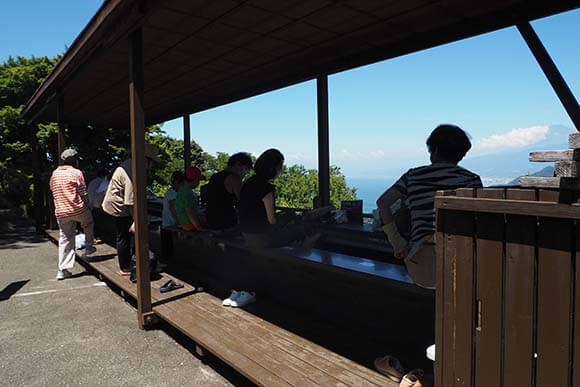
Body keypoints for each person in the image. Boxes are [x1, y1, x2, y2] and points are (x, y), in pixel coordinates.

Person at [374, 124, 482, 383]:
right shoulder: (471, 180)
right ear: (461, 154)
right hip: (458, 266)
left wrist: (398, 242)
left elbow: (382, 203)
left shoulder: (413, 176)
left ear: (432, 150)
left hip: (421, 266)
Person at [238, 149, 326, 249]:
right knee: (298, 229)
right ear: (273, 168)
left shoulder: (249, 182)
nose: (281, 170)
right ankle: (306, 245)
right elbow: (271, 221)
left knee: (289, 217)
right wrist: (286, 217)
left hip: (247, 236)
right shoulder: (266, 188)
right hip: (261, 239)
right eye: (280, 167)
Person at [102, 144, 160, 275]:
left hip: (118, 206)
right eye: (152, 162)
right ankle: (126, 267)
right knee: (124, 236)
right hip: (119, 208)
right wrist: (136, 220)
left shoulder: (130, 164)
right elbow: (131, 200)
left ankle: (136, 263)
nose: (152, 166)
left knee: (125, 236)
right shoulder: (133, 169)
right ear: (146, 159)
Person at [49, 148, 96, 280]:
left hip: (61, 211)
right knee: (88, 222)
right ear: (75, 161)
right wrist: (87, 203)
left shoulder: (55, 173)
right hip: (77, 209)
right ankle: (89, 247)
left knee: (65, 238)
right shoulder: (77, 173)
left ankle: (62, 270)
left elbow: (52, 189)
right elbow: (83, 192)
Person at [206, 152, 253, 230]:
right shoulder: (234, 178)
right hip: (226, 223)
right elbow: (243, 201)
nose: (246, 173)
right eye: (246, 169)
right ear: (238, 164)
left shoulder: (214, 176)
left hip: (211, 221)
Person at [161, 171, 184, 260]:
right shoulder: (172, 193)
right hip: (170, 223)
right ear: (177, 183)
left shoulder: (171, 192)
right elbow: (173, 208)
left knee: (169, 244)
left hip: (168, 222)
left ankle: (169, 259)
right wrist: (179, 222)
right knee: (168, 245)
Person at [176, 166, 208, 231]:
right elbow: (190, 212)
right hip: (190, 225)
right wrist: (199, 228)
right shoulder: (188, 193)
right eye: (198, 180)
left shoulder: (181, 190)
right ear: (195, 180)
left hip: (184, 224)